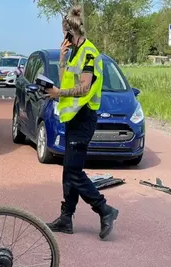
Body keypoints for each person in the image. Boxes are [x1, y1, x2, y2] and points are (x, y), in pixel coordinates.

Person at [43, 5, 119, 241]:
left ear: (69, 32)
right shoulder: (76, 52)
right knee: (69, 171)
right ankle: (66, 218)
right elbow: (66, 78)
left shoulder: (89, 53)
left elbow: (84, 87)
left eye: (64, 33)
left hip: (84, 117)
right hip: (73, 119)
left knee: (74, 172)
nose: (63, 38)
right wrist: (62, 59)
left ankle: (104, 209)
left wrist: (58, 93)